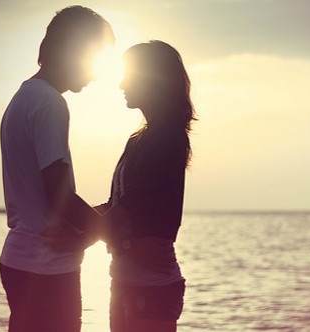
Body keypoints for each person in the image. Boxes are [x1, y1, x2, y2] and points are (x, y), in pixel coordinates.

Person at [0, 7, 171, 332]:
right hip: (47, 266)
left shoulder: (22, 98)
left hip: (18, 260)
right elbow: (58, 192)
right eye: (94, 62)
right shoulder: (49, 103)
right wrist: (112, 236)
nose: (94, 76)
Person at [103, 40, 196, 332]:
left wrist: (76, 237)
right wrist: (65, 219)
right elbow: (116, 205)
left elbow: (130, 208)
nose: (120, 84)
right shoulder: (137, 140)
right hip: (123, 279)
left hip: (152, 286)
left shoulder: (169, 136)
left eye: (128, 75)